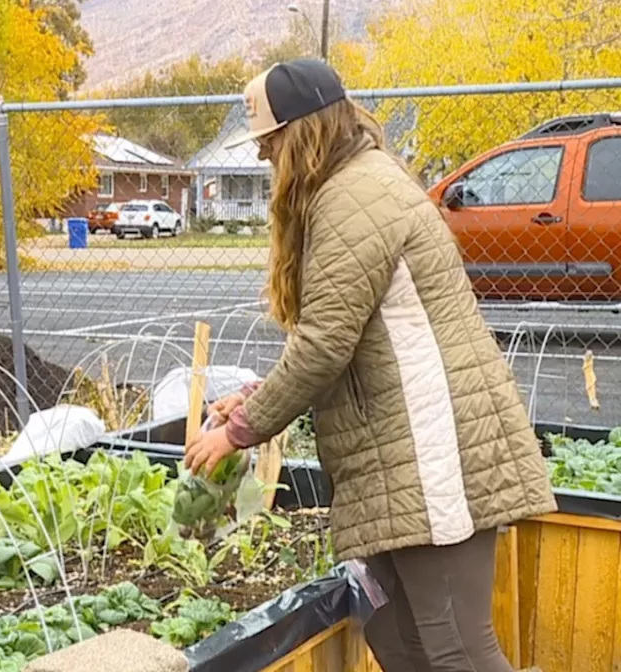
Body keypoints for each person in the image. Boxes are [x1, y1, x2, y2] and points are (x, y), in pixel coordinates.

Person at [183, 59, 556, 672]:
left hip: (429, 453)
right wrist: (254, 396)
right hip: (399, 455)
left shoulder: (353, 198)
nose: (263, 161)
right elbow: (348, 340)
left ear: (301, 136)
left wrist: (238, 430)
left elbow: (325, 344)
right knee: (395, 639)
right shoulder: (358, 186)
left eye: (268, 145)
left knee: (457, 649)